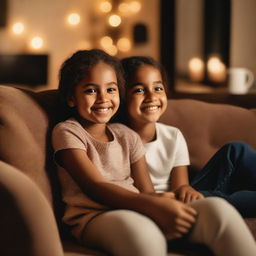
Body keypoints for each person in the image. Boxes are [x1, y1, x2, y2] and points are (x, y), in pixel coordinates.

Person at [52, 49, 256, 256]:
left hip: (139, 207)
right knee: (143, 234)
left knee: (217, 210)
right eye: (91, 91)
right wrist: (153, 206)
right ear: (71, 97)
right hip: (94, 217)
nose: (103, 98)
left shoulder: (126, 135)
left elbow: (146, 190)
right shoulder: (68, 132)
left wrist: (160, 203)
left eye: (111, 90)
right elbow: (95, 185)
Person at [121, 55, 256, 218]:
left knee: (235, 150)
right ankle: (216, 200)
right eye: (139, 90)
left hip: (181, 197)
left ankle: (212, 199)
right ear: (122, 96)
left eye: (158, 88)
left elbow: (181, 188)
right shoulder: (119, 139)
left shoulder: (173, 135)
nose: (152, 96)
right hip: (156, 204)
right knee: (223, 198)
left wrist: (185, 190)